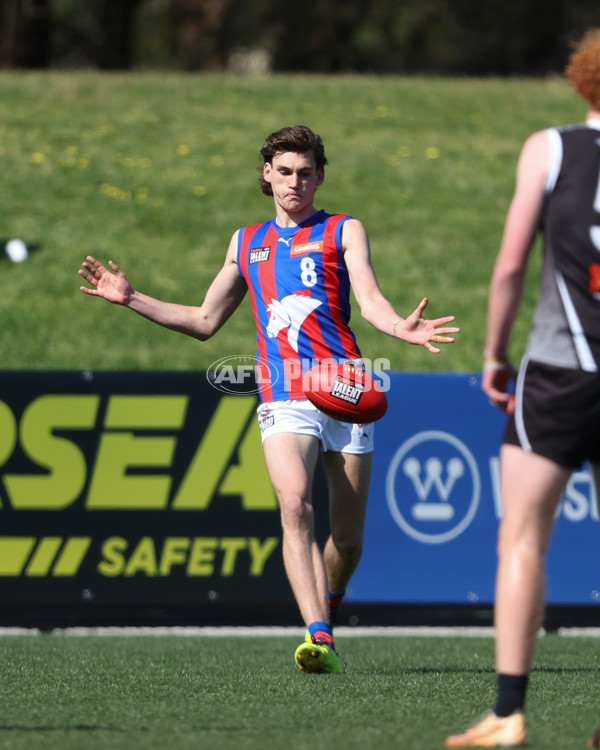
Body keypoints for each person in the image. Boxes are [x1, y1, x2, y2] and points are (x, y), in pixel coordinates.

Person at [79, 124, 459, 674]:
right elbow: (205, 320)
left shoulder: (343, 231)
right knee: (294, 504)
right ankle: (318, 635)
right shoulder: (246, 242)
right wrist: (131, 297)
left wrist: (401, 328)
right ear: (267, 174)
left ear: (320, 177)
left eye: (306, 174)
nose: (295, 184)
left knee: (348, 542)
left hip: (345, 384)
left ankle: (327, 598)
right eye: (284, 172)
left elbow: (371, 299)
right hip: (284, 390)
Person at [445, 29, 600, 748]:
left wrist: (492, 354)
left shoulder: (553, 148)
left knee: (523, 537)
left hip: (558, 373)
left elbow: (510, 267)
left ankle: (508, 713)